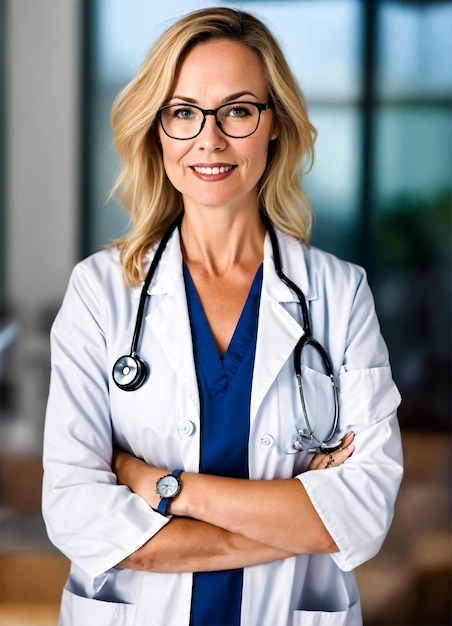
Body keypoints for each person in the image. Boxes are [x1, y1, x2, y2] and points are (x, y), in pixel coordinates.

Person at [42, 7, 403, 626]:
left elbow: (364, 515)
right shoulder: (101, 293)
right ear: (157, 131)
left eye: (237, 110)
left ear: (274, 126)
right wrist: (305, 522)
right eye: (183, 113)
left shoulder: (340, 295)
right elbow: (77, 514)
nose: (209, 140)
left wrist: (162, 485)